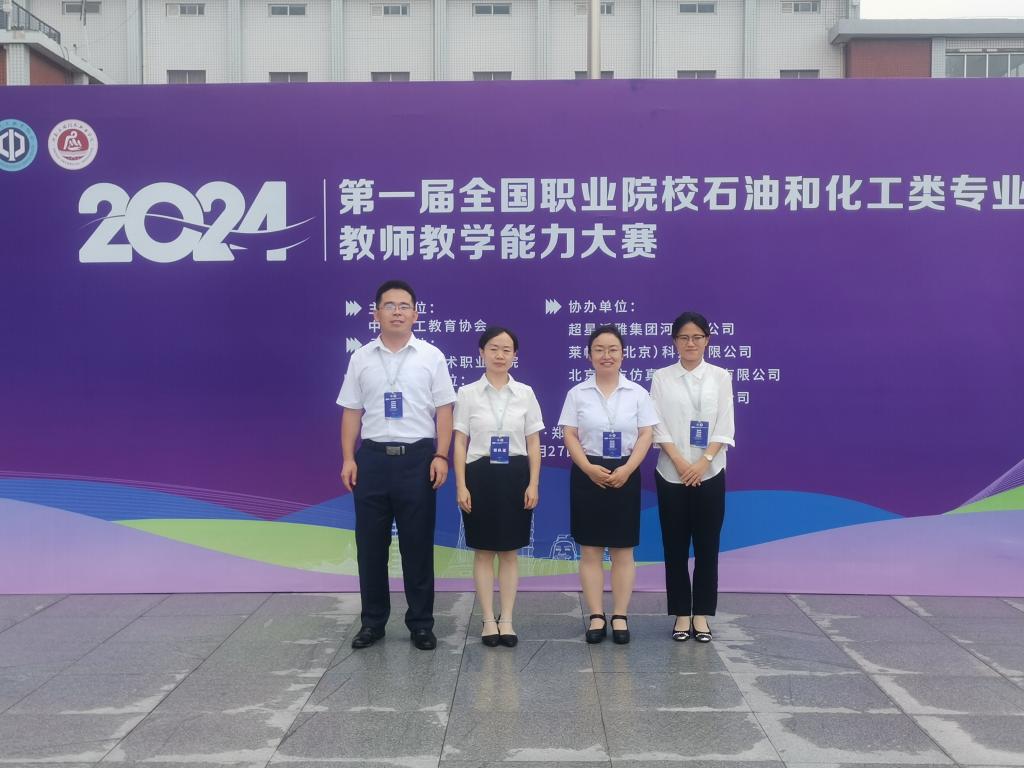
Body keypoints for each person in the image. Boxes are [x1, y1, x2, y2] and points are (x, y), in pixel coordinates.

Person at [337, 279, 456, 651]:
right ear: (376, 313)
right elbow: (351, 411)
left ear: (416, 314)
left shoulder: (431, 356)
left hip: (417, 460)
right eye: (389, 306)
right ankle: (372, 623)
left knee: (417, 546)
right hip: (371, 460)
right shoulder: (361, 358)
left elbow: (444, 411)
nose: (397, 312)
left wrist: (441, 455)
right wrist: (348, 458)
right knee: (370, 546)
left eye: (404, 306)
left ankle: (421, 623)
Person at [558, 325, 658, 645]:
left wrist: (628, 468)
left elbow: (646, 434)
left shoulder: (638, 393)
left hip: (625, 472)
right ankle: (597, 615)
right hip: (588, 472)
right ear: (589, 355)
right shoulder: (577, 393)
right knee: (590, 549)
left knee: (622, 550)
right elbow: (570, 434)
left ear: (623, 354)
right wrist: (587, 468)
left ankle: (620, 615)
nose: (606, 355)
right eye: (599, 349)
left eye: (613, 349)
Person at [453, 327, 543, 648]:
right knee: (483, 551)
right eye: (493, 348)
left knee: (509, 552)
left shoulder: (525, 393)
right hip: (479, 475)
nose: (500, 355)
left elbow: (533, 442)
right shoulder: (467, 394)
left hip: (515, 476)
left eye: (507, 349)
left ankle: (507, 619)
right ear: (481, 352)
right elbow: (460, 442)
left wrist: (533, 483)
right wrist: (461, 485)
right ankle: (488, 619)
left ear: (515, 355)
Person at [649, 311, 735, 643]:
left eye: (697, 337)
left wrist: (703, 462)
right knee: (674, 546)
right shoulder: (662, 377)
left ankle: (701, 615)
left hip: (710, 472)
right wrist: (681, 462)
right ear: (675, 342)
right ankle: (681, 614)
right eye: (684, 338)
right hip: (671, 472)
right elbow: (657, 424)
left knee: (707, 546)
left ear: (707, 341)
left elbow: (725, 424)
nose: (690, 343)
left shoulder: (720, 377)